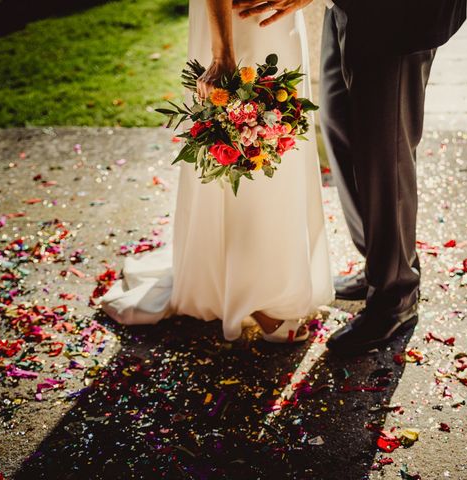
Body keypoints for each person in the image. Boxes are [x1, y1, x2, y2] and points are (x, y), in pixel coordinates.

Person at [234, 0, 467, 354]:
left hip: (398, 16)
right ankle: (380, 263)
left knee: (384, 153)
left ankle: (395, 295)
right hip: (348, 7)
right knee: (339, 125)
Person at [100, 0, 334, 343]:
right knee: (242, 151)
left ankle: (275, 280)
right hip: (236, 24)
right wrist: (223, 53)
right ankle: (253, 292)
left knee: (278, 145)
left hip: (279, 23)